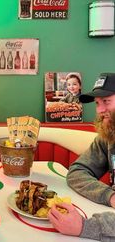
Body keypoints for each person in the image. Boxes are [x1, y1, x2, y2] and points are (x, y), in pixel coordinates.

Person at [48, 73, 115, 241]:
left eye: (106, 101)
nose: (100, 110)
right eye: (98, 103)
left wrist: (85, 227)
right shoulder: (108, 136)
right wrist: (110, 196)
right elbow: (78, 171)